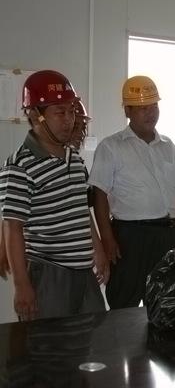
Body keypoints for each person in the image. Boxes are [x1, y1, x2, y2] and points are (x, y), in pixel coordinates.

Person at [0, 70, 106, 320]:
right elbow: (12, 228)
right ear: (35, 115)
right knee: (49, 342)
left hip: (84, 274)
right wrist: (22, 285)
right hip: (48, 275)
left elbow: (81, 210)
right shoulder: (19, 166)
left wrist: (97, 248)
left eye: (71, 111)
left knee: (94, 338)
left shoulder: (75, 159)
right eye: (59, 112)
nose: (68, 120)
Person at [88, 75, 175, 309]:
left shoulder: (168, 147)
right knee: (124, 306)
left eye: (154, 106)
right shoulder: (111, 146)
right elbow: (99, 195)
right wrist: (107, 238)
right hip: (130, 239)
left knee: (168, 304)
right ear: (127, 111)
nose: (151, 113)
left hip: (168, 235)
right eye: (143, 108)